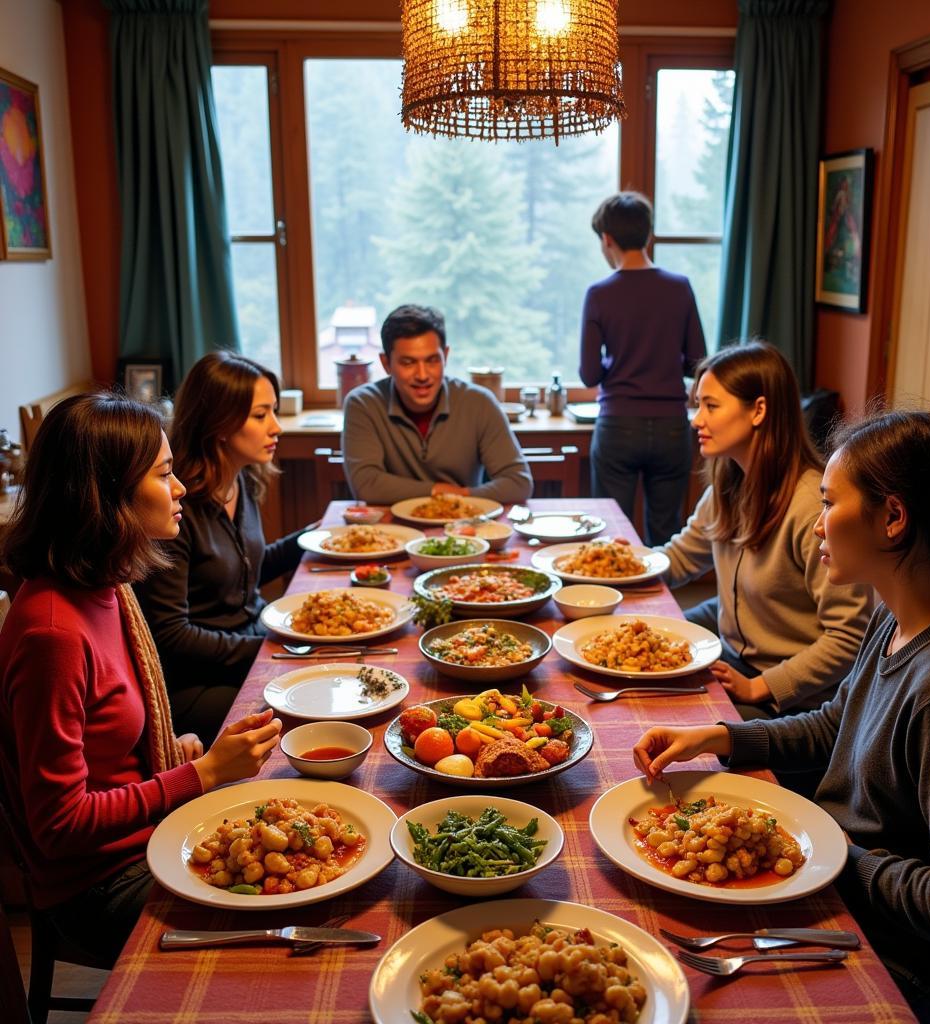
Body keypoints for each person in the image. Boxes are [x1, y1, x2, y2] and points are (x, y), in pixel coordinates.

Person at [634, 410, 930, 1024]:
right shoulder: (897, 616)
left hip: (901, 967)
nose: (817, 524)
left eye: (829, 503)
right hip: (838, 896)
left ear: (893, 519)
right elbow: (835, 724)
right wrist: (720, 736)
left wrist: (834, 852)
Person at [0, 392, 281, 966]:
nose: (179, 489)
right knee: (284, 926)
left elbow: (107, 751)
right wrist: (198, 776)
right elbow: (59, 825)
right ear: (106, 497)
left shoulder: (107, 587)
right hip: (99, 885)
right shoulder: (52, 632)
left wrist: (168, 756)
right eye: (164, 474)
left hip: (145, 837)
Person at [659, 342, 872, 720]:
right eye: (697, 406)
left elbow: (849, 637)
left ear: (758, 410)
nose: (696, 419)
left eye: (710, 405)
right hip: (734, 662)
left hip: (796, 703)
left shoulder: (809, 507)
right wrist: (619, 564)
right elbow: (678, 560)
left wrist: (762, 686)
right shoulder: (728, 485)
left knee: (672, 723)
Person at [134, 352, 304, 746]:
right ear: (221, 424)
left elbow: (243, 575)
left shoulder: (237, 480)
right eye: (261, 415)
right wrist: (266, 649)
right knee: (303, 717)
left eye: (273, 412)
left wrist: (313, 537)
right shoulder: (177, 508)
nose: (276, 427)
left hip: (249, 650)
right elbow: (172, 636)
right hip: (198, 684)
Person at [579, 191, 706, 544]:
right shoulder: (679, 288)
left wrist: (615, 361)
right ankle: (661, 599)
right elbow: (697, 361)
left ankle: (606, 597)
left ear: (607, 240)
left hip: (618, 425)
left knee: (610, 532)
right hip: (670, 427)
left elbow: (589, 374)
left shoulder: (600, 293)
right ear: (648, 235)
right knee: (665, 536)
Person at [342, 304, 532, 505]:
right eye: (408, 363)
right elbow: (367, 485)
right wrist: (438, 490)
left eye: (432, 361)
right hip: (392, 532)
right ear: (386, 363)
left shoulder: (479, 402)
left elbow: (518, 483)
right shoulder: (362, 404)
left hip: (464, 527)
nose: (423, 375)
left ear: (446, 356)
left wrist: (459, 497)